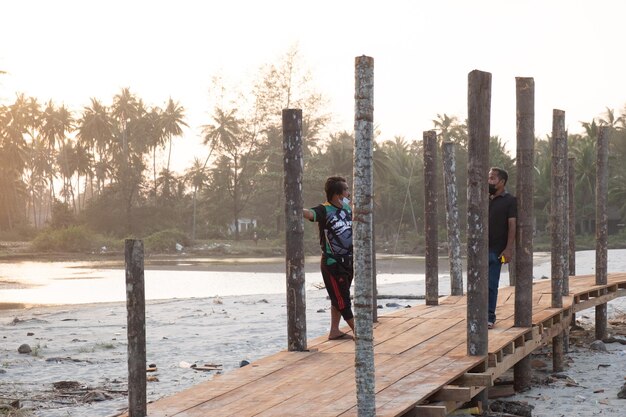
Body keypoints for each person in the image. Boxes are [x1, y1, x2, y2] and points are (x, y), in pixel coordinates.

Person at [303, 176, 355, 340]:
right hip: (333, 263)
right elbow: (310, 214)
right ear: (337, 194)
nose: (349, 192)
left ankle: (334, 330)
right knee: (343, 300)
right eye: (346, 189)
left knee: (338, 296)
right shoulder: (324, 210)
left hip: (348, 261)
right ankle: (360, 334)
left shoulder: (347, 209)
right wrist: (294, 207)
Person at [488, 167, 517, 329]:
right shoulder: (483, 198)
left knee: (492, 284)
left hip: (497, 249)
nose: (489, 181)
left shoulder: (509, 200)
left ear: (502, 182)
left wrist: (508, 248)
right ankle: (478, 315)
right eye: (489, 178)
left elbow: (512, 225)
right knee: (478, 286)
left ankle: (489, 316)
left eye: (492, 178)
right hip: (479, 249)